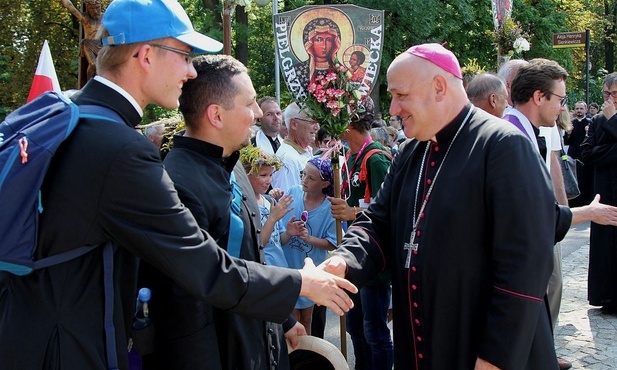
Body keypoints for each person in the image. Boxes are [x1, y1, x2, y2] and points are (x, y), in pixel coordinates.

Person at [0, 1, 357, 369]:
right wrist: (300, 282)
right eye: (185, 54)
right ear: (146, 55)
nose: (190, 72)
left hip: (30, 335)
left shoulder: (75, 117)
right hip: (69, 349)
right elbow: (202, 265)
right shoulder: (119, 149)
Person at [323, 43, 570, 369]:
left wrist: (496, 356)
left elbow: (526, 265)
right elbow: (378, 223)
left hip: (485, 352)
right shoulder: (411, 153)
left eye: (401, 95)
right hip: (422, 344)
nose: (394, 108)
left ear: (439, 87)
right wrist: (343, 262)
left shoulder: (503, 146)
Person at [138, 54, 313, 369]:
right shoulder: (176, 186)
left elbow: (247, 260)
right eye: (250, 104)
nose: (258, 113)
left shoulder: (230, 167)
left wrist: (283, 320)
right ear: (216, 115)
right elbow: (188, 310)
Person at [329, 105, 393, 370]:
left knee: (374, 332)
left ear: (349, 125)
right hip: (354, 255)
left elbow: (387, 210)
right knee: (355, 326)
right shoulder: (353, 156)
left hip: (372, 262)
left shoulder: (376, 159)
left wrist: (352, 212)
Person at [281, 156, 337, 335]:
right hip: (288, 269)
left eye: (311, 178)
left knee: (307, 320)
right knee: (292, 319)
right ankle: (294, 359)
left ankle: (308, 358)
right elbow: (279, 229)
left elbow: (332, 244)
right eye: (303, 174)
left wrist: (308, 238)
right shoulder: (293, 192)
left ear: (325, 184)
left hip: (311, 271)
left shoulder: (330, 207)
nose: (304, 180)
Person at [580, 72, 617, 314]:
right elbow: (587, 152)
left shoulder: (609, 118)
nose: (609, 99)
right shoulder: (595, 121)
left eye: (614, 94)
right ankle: (605, 296)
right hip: (604, 189)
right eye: (606, 94)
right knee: (604, 244)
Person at [240, 144, 303, 268]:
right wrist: (272, 218)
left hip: (280, 268)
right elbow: (256, 246)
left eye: (270, 175)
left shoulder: (269, 202)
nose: (269, 181)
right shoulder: (244, 205)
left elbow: (278, 240)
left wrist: (289, 233)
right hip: (264, 272)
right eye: (263, 175)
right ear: (246, 174)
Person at [271, 103, 319, 192]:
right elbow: (288, 201)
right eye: (312, 122)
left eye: (317, 122)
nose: (317, 127)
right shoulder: (287, 159)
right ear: (294, 124)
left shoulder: (305, 149)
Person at [61, 0, 104, 79]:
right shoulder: (85, 18)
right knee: (93, 64)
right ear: (87, 9)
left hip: (101, 44)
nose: (95, 11)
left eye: (97, 8)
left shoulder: (104, 18)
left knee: (104, 67)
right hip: (88, 44)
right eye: (91, 9)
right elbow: (70, 6)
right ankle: (89, 83)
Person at [295, 17, 341, 88]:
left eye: (329, 40)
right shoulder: (299, 69)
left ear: (335, 43)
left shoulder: (340, 70)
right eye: (319, 40)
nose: (324, 46)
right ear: (310, 43)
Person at [566, 101, 594, 207]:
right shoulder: (571, 124)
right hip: (573, 156)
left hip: (586, 157)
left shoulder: (591, 122)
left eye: (581, 109)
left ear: (586, 110)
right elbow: (567, 142)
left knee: (585, 180)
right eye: (577, 108)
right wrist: (568, 134)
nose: (579, 111)